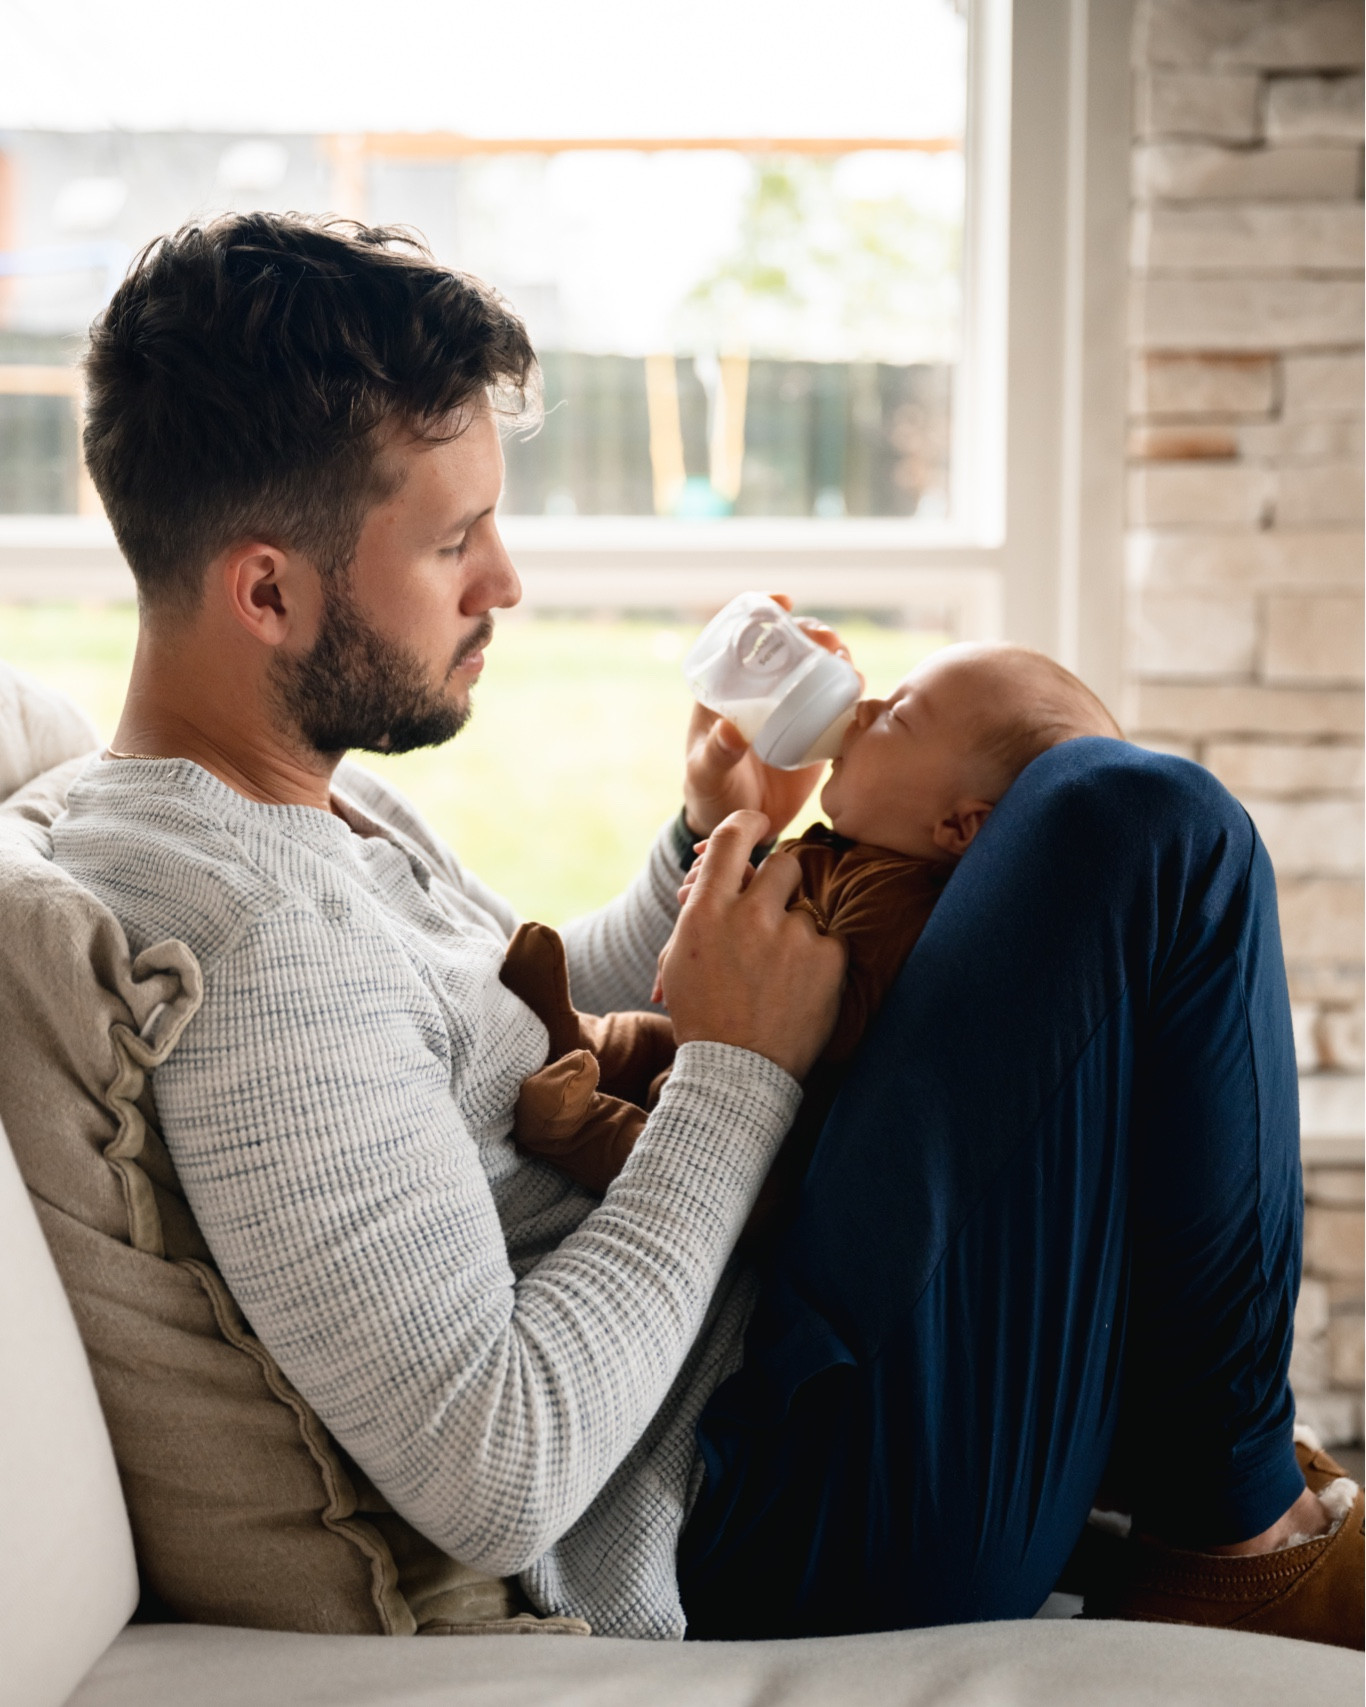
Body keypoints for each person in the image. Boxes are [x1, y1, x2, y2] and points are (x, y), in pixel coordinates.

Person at [52, 213, 1361, 1650]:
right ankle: (1233, 1532)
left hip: (757, 1361)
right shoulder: (241, 945)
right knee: (1127, 823)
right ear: (265, 589)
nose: (505, 581)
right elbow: (499, 1465)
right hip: (755, 1515)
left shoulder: (296, 802)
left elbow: (507, 1044)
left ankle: (1204, 1491)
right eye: (451, 540)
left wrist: (701, 842)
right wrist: (742, 1070)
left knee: (1098, 822)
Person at [500, 645, 1120, 1214]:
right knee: (642, 1039)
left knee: (667, 1149)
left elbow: (833, 1021)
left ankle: (575, 1128)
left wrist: (727, 958)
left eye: (897, 717)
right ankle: (568, 1034)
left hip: (786, 1143)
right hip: (725, 1066)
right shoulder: (852, 852)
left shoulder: (904, 912)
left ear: (960, 828)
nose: (865, 706)